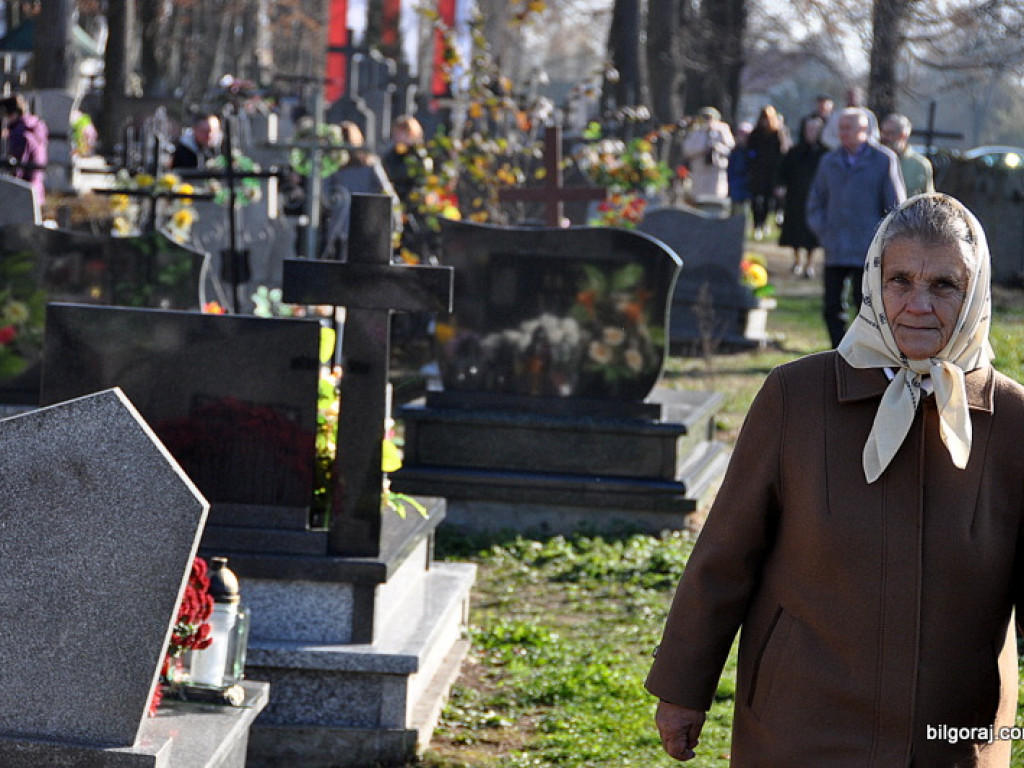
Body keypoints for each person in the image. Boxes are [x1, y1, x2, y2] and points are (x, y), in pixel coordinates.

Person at [648, 192, 1024, 767]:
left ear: (975, 294)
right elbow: (725, 554)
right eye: (900, 280)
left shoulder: (1015, 422)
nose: (918, 304)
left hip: (954, 738)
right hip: (800, 724)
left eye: (945, 285)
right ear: (874, 282)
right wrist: (682, 690)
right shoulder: (797, 397)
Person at [807, 107, 906, 347]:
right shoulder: (829, 161)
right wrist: (824, 231)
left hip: (868, 249)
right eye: (840, 128)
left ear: (864, 130)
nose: (843, 133)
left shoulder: (883, 160)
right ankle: (838, 352)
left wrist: (882, 241)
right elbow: (815, 201)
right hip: (836, 246)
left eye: (848, 128)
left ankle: (863, 353)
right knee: (832, 305)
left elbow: (896, 206)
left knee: (866, 307)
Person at [777, 114, 828, 277]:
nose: (811, 132)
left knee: (812, 234)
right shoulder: (794, 152)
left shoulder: (826, 154)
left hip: (818, 199)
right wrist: (780, 186)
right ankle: (797, 260)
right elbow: (783, 172)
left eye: (814, 129)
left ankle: (810, 263)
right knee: (795, 230)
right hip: (796, 197)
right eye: (808, 129)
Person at [746, 105, 788, 240]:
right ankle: (757, 224)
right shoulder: (756, 133)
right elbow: (750, 151)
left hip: (772, 173)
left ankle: (764, 223)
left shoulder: (777, 134)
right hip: (758, 173)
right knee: (756, 200)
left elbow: (781, 153)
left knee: (769, 201)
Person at [0, 94, 48, 204]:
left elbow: (14, 173)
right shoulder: (33, 128)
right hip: (35, 192)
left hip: (20, 196)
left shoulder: (19, 135)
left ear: (13, 115)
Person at [681, 106, 734, 202]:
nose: (708, 120)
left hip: (716, 169)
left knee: (715, 195)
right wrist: (702, 149)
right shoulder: (696, 131)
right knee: (698, 196)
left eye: (710, 117)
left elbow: (730, 148)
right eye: (705, 117)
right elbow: (687, 150)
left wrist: (717, 148)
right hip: (699, 169)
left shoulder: (723, 130)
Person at [881, 112, 935, 196]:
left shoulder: (920, 165)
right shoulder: (873, 160)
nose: (884, 138)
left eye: (890, 133)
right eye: (883, 132)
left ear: (903, 135)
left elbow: (928, 198)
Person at [726, 121, 753, 214]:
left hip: (748, 189)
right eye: (740, 134)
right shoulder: (734, 151)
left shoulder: (752, 151)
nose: (742, 137)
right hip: (735, 188)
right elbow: (730, 169)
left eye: (745, 134)